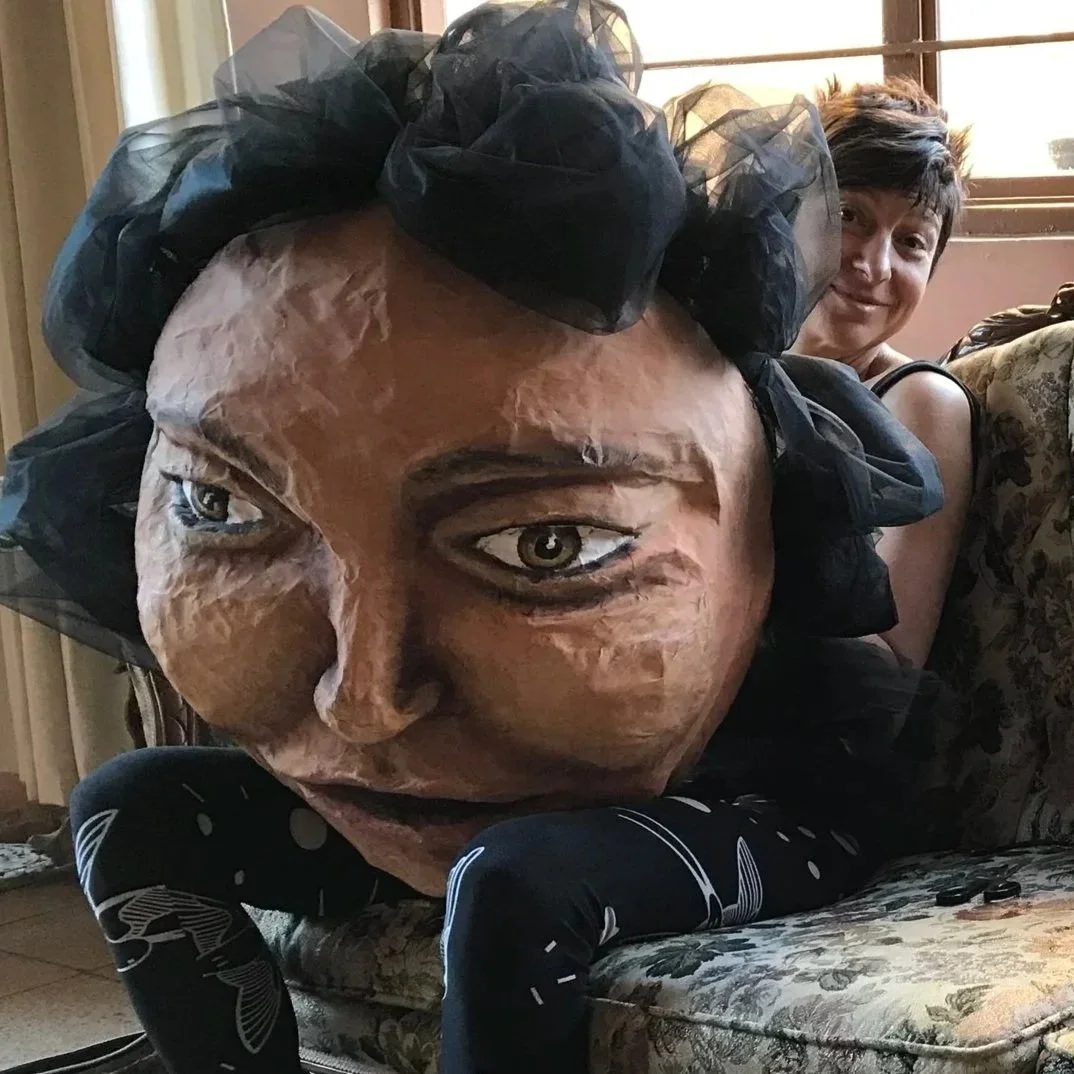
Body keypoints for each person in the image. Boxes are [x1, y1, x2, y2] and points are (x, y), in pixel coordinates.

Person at [0, 5, 945, 1074]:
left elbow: (884, 654)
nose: (367, 700)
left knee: (513, 878)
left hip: (743, 792)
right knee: (126, 808)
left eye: (550, 546)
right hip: (474, 817)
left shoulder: (895, 407)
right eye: (848, 220)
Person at [794, 77, 976, 670]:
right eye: (850, 215)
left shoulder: (921, 402)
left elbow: (889, 664)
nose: (874, 266)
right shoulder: (720, 361)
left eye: (912, 242)